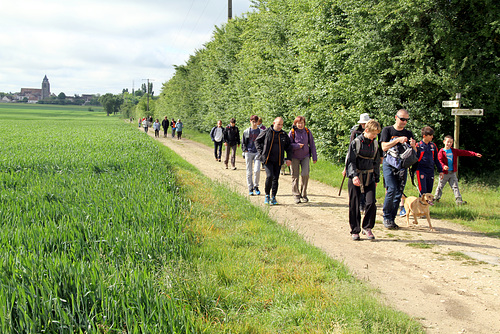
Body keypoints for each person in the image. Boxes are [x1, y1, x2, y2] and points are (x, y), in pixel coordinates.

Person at [380, 109, 416, 229]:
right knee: (391, 189)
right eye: (402, 119)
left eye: (406, 120)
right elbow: (384, 147)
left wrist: (414, 146)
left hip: (402, 166)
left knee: (399, 193)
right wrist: (397, 140)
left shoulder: (409, 133)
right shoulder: (388, 130)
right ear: (396, 117)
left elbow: (413, 153)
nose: (404, 122)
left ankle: (391, 219)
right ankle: (386, 216)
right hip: (389, 164)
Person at [346, 119, 381, 240]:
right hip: (356, 176)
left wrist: (376, 178)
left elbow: (376, 162)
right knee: (354, 203)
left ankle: (367, 227)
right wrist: (354, 176)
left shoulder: (375, 144)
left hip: (370, 176)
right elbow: (351, 161)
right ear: (366, 130)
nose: (374, 136)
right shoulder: (356, 143)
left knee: (371, 203)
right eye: (373, 134)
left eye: (376, 134)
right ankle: (355, 230)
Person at [434, 135, 482, 205]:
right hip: (444, 173)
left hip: (452, 172)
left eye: (451, 142)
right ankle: (436, 199)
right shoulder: (441, 152)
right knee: (440, 187)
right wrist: (443, 166)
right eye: (448, 142)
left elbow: (465, 152)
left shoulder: (454, 151)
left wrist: (474, 154)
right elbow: (439, 161)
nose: (449, 144)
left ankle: (459, 201)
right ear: (444, 142)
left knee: (455, 186)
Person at [255, 117, 292, 205]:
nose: (280, 126)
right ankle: (267, 195)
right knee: (269, 176)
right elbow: (257, 141)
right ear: (274, 123)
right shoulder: (267, 132)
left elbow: (289, 147)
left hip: (278, 160)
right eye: (278, 124)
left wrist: (289, 158)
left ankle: (273, 197)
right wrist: (261, 153)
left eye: (282, 124)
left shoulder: (283, 134)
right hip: (267, 160)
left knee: (276, 178)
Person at [342, 113, 372, 211]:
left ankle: (363, 203)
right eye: (363, 123)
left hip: (367, 163)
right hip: (356, 160)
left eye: (365, 123)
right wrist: (346, 167)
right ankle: (359, 203)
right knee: (358, 183)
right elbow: (350, 149)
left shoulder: (372, 134)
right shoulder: (355, 132)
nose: (363, 125)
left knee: (365, 183)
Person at [288, 116, 317, 204]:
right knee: (295, 176)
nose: (300, 125)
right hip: (294, 157)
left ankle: (304, 194)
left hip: (305, 156)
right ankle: (296, 195)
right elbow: (288, 146)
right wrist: (297, 146)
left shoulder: (307, 132)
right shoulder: (292, 132)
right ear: (295, 124)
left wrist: (314, 157)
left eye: (302, 123)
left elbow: (312, 144)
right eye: (298, 123)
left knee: (305, 174)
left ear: (304, 123)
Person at [414, 126, 443, 196]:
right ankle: (421, 204)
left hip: (430, 170)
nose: (432, 137)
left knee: (429, 189)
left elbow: (436, 159)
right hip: (421, 170)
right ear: (424, 136)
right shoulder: (418, 145)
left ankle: (427, 205)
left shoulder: (433, 146)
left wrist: (440, 170)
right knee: (423, 190)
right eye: (430, 135)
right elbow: (414, 158)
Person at [242, 115, 262, 195]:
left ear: (258, 122)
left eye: (255, 122)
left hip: (257, 153)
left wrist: (261, 151)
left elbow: (263, 143)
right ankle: (250, 188)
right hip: (249, 152)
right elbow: (243, 142)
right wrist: (245, 150)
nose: (254, 123)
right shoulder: (246, 131)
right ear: (250, 121)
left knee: (257, 170)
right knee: (249, 171)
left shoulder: (260, 132)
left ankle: (256, 186)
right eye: (253, 121)